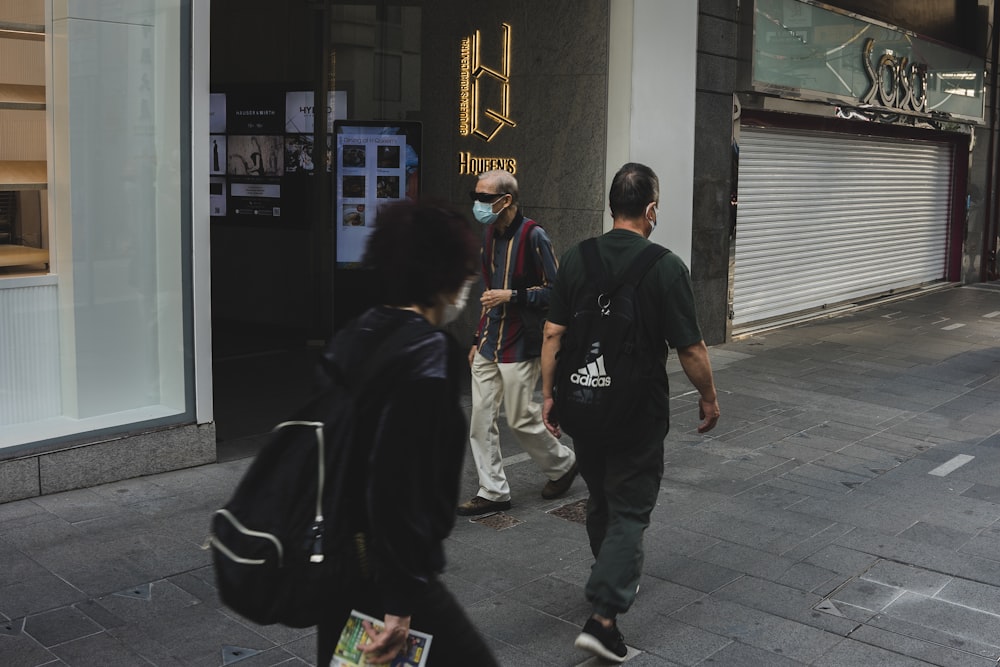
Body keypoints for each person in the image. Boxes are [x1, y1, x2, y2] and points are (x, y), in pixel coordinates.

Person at [540, 162, 720, 663]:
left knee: (600, 497)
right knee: (631, 509)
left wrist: (549, 394)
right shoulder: (665, 266)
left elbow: (553, 333)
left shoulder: (576, 258)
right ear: (651, 210)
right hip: (637, 412)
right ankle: (603, 616)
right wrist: (708, 396)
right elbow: (691, 347)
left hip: (583, 401)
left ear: (611, 207)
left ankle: (611, 574)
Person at [315, 199, 498, 666]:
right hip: (388, 573)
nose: (467, 286)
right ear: (441, 278)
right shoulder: (428, 357)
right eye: (464, 273)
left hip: (340, 556)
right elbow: (394, 484)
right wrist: (399, 605)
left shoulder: (358, 332)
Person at [458, 169, 579, 516]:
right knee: (480, 419)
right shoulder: (487, 235)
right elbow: (487, 295)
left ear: (505, 200)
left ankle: (563, 465)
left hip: (521, 341)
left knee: (520, 416)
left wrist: (512, 295)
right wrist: (476, 336)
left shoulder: (534, 236)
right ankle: (492, 490)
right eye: (475, 197)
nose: (478, 205)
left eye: (484, 198)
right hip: (488, 340)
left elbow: (557, 291)